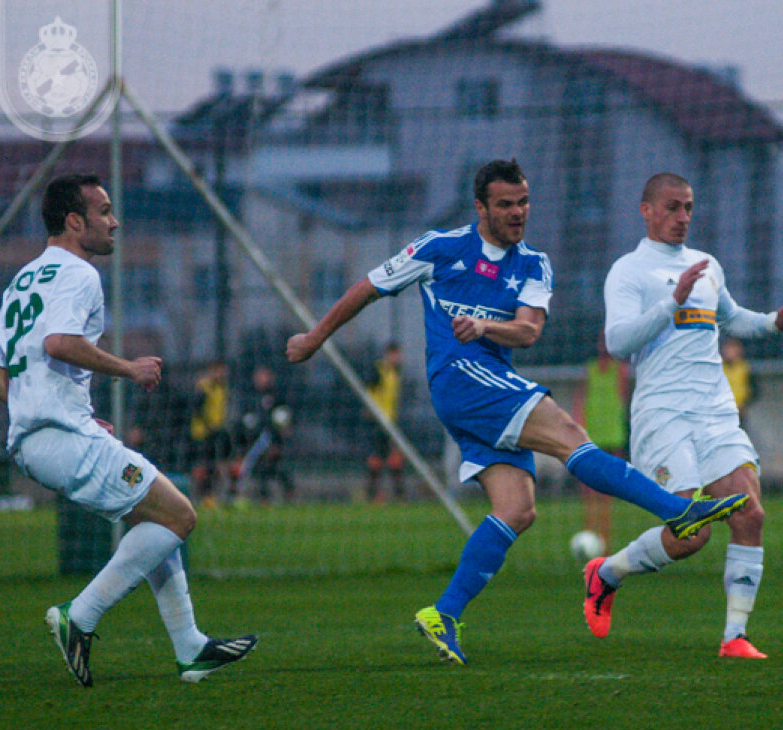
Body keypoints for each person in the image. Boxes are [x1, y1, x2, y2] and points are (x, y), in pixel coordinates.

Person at [287, 159, 749, 665]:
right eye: (505, 204)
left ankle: (443, 613)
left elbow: (529, 330)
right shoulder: (441, 248)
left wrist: (486, 329)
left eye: (523, 202)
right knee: (570, 434)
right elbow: (368, 287)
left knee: (518, 509)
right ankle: (679, 511)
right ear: (480, 207)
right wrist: (314, 337)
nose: (517, 212)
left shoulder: (533, 263)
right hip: (462, 379)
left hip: (491, 382)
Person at [0, 173, 256, 687]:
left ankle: (191, 647)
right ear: (74, 221)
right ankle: (78, 617)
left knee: (154, 522)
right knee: (179, 515)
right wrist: (130, 368)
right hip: (60, 436)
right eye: (104, 211)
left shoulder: (21, 281)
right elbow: (59, 344)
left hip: (36, 440)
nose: (114, 221)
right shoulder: (80, 274)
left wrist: (67, 408)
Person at [583, 172, 783, 659]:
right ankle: (606, 573)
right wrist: (671, 304)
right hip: (662, 412)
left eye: (689, 208)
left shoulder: (706, 263)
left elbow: (731, 318)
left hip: (714, 409)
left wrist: (775, 324)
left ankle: (734, 637)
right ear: (646, 210)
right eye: (672, 207)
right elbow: (618, 341)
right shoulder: (628, 271)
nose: (682, 217)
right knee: (691, 533)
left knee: (750, 514)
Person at [570, 332, 630, 551]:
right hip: (592, 432)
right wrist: (579, 423)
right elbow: (580, 399)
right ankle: (590, 532)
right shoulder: (590, 369)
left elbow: (623, 398)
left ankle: (605, 537)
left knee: (609, 490)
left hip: (613, 432)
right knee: (587, 489)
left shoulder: (620, 370)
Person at [235, 364, 294, 503]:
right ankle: (263, 497)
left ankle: (289, 492)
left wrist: (278, 441)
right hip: (255, 442)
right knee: (261, 470)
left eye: (265, 375)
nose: (262, 379)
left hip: (272, 440)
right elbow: (245, 421)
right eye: (259, 376)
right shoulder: (250, 398)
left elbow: (285, 421)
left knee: (277, 468)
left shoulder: (277, 396)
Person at [364, 342, 406, 502]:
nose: (398, 358)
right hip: (378, 421)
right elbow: (368, 390)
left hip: (390, 421)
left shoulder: (395, 372)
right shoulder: (379, 370)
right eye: (394, 354)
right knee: (379, 458)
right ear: (388, 354)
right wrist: (370, 411)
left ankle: (396, 495)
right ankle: (374, 494)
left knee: (393, 458)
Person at [189, 359, 233, 507]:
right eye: (219, 370)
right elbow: (197, 409)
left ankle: (210, 495)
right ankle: (202, 496)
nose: (222, 373)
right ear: (212, 371)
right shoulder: (204, 387)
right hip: (202, 433)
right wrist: (208, 425)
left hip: (216, 431)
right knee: (205, 465)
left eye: (223, 370)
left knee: (214, 465)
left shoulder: (223, 387)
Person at [720, 337, 756, 426]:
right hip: (721, 412)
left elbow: (754, 390)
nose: (731, 352)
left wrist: (745, 405)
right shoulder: (718, 369)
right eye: (728, 348)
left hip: (740, 412)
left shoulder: (745, 368)